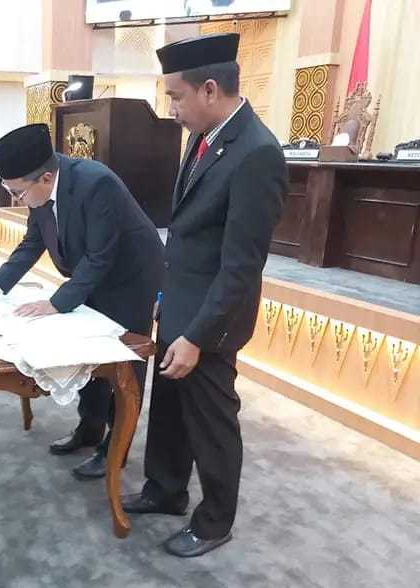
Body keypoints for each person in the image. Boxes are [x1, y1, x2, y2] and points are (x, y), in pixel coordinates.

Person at [122, 33, 287, 557]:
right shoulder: (203, 136)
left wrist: (196, 336)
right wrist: (166, 296)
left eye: (176, 96)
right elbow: (190, 234)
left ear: (210, 89)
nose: (170, 108)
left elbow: (241, 266)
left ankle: (215, 522)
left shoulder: (256, 153)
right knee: (170, 408)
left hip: (212, 322)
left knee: (212, 422)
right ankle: (166, 489)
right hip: (180, 303)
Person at [0, 124, 165, 479]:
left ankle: (115, 448)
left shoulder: (97, 183)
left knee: (122, 361)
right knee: (86, 353)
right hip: (89, 272)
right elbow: (33, 242)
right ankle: (89, 429)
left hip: (130, 278)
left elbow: (100, 256)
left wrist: (57, 303)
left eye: (17, 192)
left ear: (45, 178)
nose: (15, 200)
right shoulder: (41, 189)